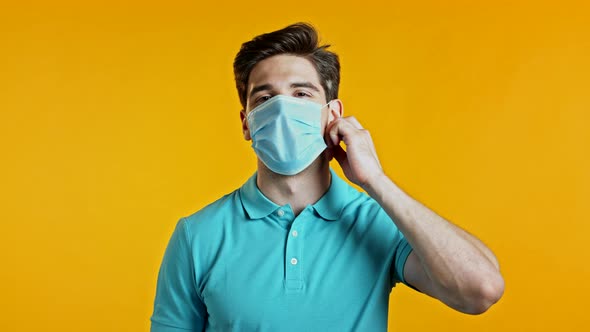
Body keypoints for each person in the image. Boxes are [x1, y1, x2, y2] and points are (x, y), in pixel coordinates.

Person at [149, 22, 504, 332]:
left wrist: (376, 182)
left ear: (332, 114)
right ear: (247, 122)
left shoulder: (375, 222)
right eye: (265, 97)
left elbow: (481, 290)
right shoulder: (197, 235)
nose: (283, 108)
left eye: (301, 93)